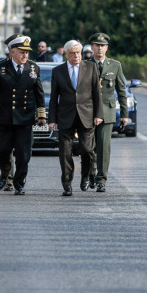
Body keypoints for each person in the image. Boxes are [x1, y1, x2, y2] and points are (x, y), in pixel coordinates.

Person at [0, 36, 47, 195]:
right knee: (2, 151)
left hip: (25, 118)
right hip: (5, 118)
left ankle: (19, 183)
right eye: (21, 52)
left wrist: (41, 115)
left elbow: (39, 93)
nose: (25, 55)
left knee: (23, 154)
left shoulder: (33, 68)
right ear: (12, 52)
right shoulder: (0, 68)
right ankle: (5, 173)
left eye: (27, 52)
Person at [49, 40, 103, 196]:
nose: (76, 56)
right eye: (73, 53)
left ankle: (86, 175)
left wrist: (99, 114)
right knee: (65, 152)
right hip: (65, 116)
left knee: (87, 150)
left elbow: (96, 94)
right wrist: (52, 119)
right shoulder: (58, 71)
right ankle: (67, 183)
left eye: (78, 52)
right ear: (66, 54)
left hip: (87, 115)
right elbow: (54, 97)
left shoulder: (91, 67)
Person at [87, 32, 130, 192]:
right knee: (88, 147)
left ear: (107, 48)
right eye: (97, 45)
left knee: (104, 147)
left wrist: (124, 115)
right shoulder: (85, 64)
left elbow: (122, 91)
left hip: (107, 112)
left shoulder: (115, 65)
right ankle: (89, 173)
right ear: (92, 47)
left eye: (103, 45)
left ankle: (101, 179)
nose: (99, 48)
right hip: (88, 112)